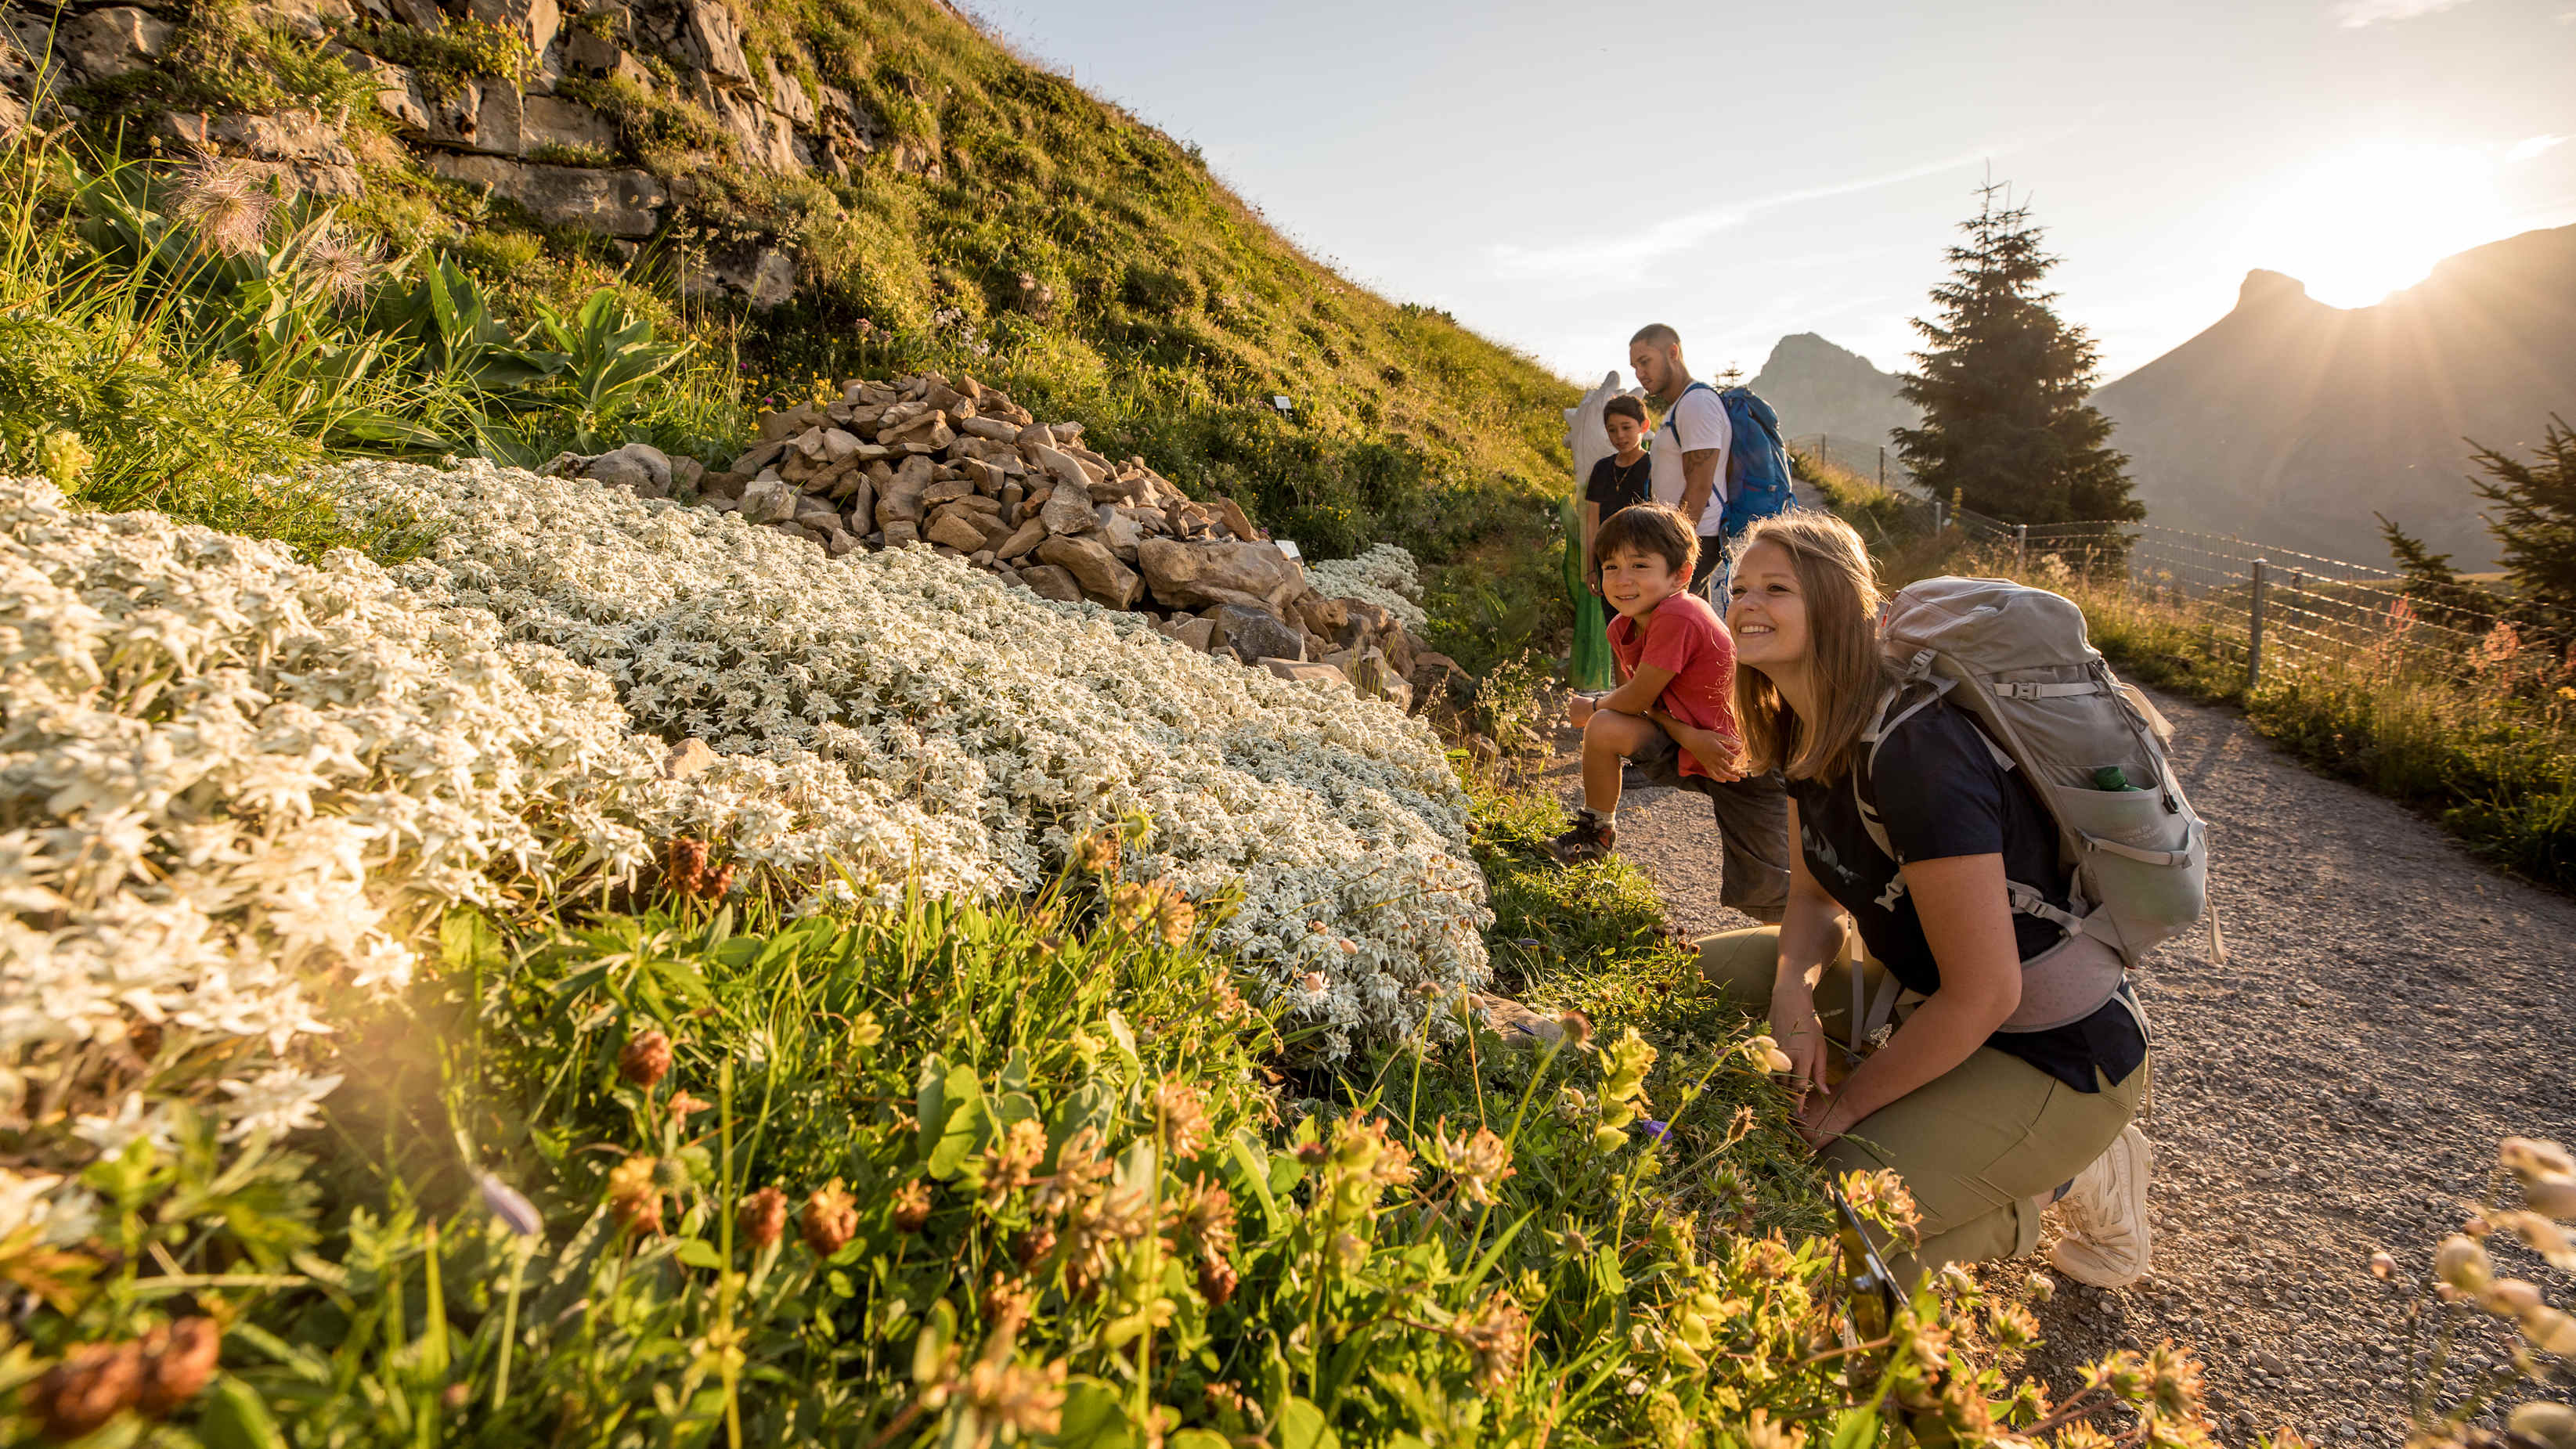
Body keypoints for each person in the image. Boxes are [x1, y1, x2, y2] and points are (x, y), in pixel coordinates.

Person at [1697, 511, 2152, 1289]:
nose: (1745, 602)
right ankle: (1942, 1124)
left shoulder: (1914, 752)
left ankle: (2056, 1185)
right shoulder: (1803, 731)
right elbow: (1811, 903)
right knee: (1680, 974)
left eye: (1777, 588)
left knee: (1829, 1225)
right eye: (1738, 587)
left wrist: (1843, 1111)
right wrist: (1791, 991)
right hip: (1924, 1002)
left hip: (2051, 1052)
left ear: (1839, 606)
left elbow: (1986, 993)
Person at [1551, 504, 1752, 872]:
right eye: (1611, 567)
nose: (1622, 579)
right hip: (1690, 742)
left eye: (1640, 566)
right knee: (1606, 727)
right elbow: (1637, 707)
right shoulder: (1621, 628)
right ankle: (1596, 834)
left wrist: (1592, 707)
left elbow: (1637, 699)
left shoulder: (1681, 614)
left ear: (1681, 575)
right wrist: (1685, 735)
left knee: (1766, 884)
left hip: (1736, 756)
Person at [1627, 323, 1731, 599]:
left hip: (1695, 535)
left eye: (1645, 362)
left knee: (1670, 620)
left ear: (1673, 352)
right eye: (1634, 367)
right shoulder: (1682, 405)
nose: (1640, 374)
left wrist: (1677, 546)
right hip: (1688, 534)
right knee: (1696, 626)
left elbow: (1699, 486)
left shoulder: (1697, 403)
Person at [1580, 396, 1654, 593]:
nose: (1619, 436)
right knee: (1614, 620)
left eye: (1626, 427)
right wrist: (1590, 569)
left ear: (1644, 426)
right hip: (1608, 562)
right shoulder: (1602, 468)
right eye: (1612, 430)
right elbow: (1591, 523)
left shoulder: (1654, 466)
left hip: (1643, 563)